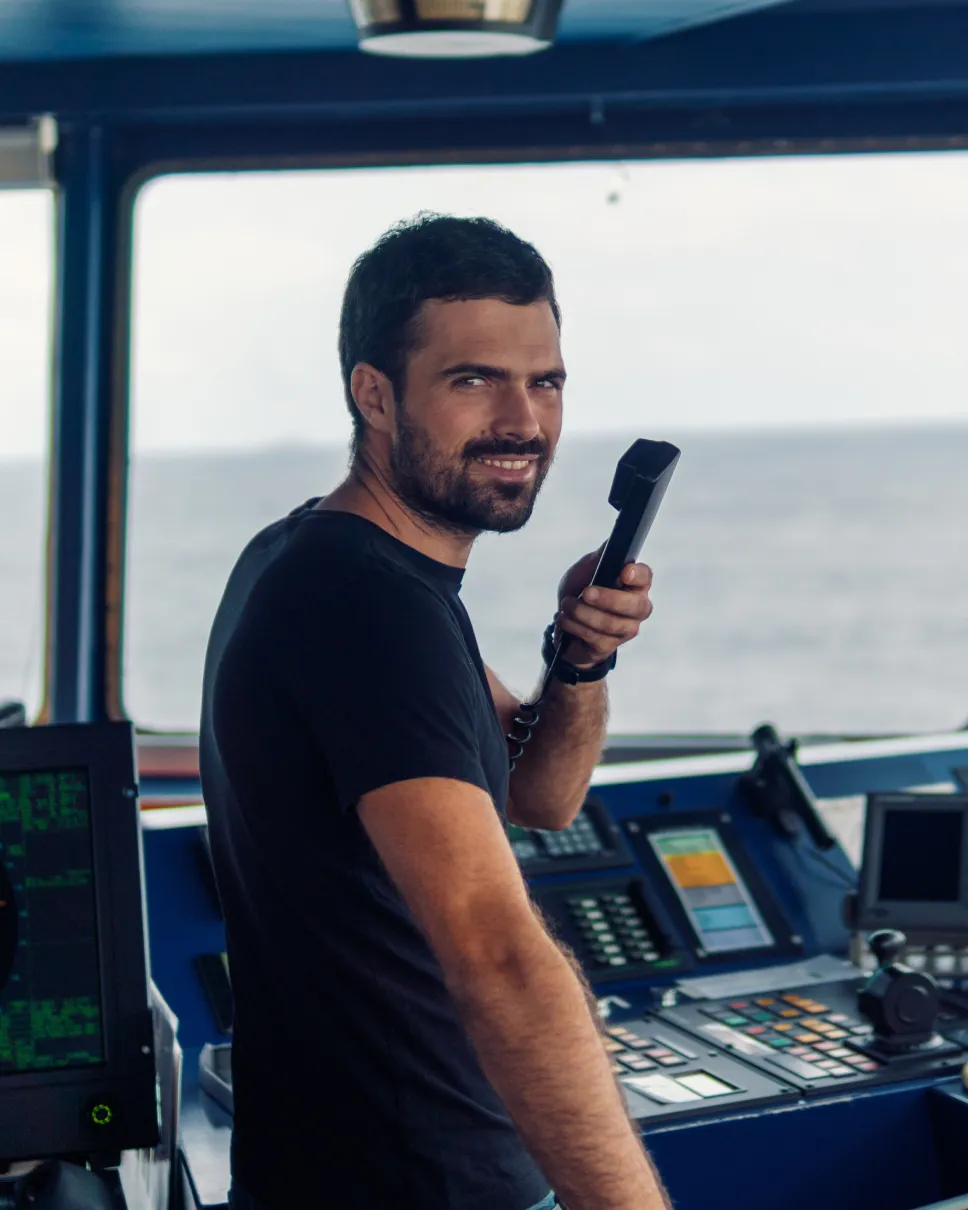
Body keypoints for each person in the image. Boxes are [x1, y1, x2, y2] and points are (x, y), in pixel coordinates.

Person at [200, 213, 670, 1210]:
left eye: (544, 382)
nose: (522, 422)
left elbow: (539, 795)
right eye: (474, 380)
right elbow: (498, 959)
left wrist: (581, 661)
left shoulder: (329, 563)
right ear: (373, 393)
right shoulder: (367, 607)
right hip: (420, 1183)